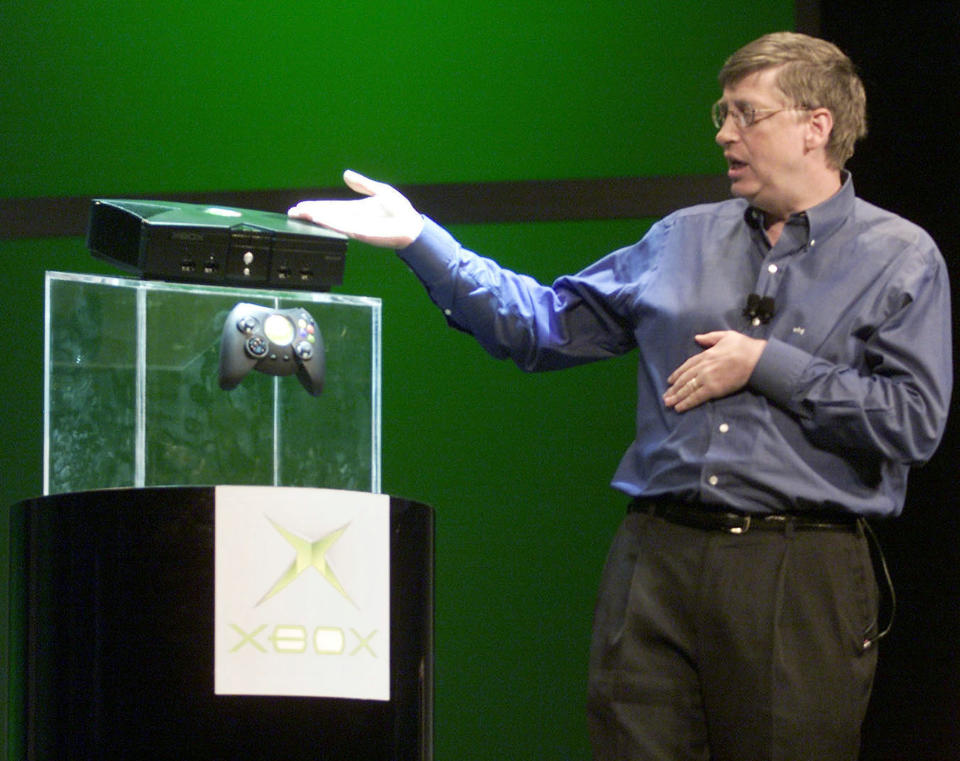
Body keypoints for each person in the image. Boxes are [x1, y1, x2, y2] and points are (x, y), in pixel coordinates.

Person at [289, 32, 952, 761]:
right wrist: (421, 238)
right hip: (656, 560)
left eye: (746, 114)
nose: (724, 133)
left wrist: (766, 363)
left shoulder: (899, 256)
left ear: (816, 126)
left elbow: (912, 420)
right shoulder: (679, 239)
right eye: (721, 114)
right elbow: (542, 326)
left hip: (798, 569)